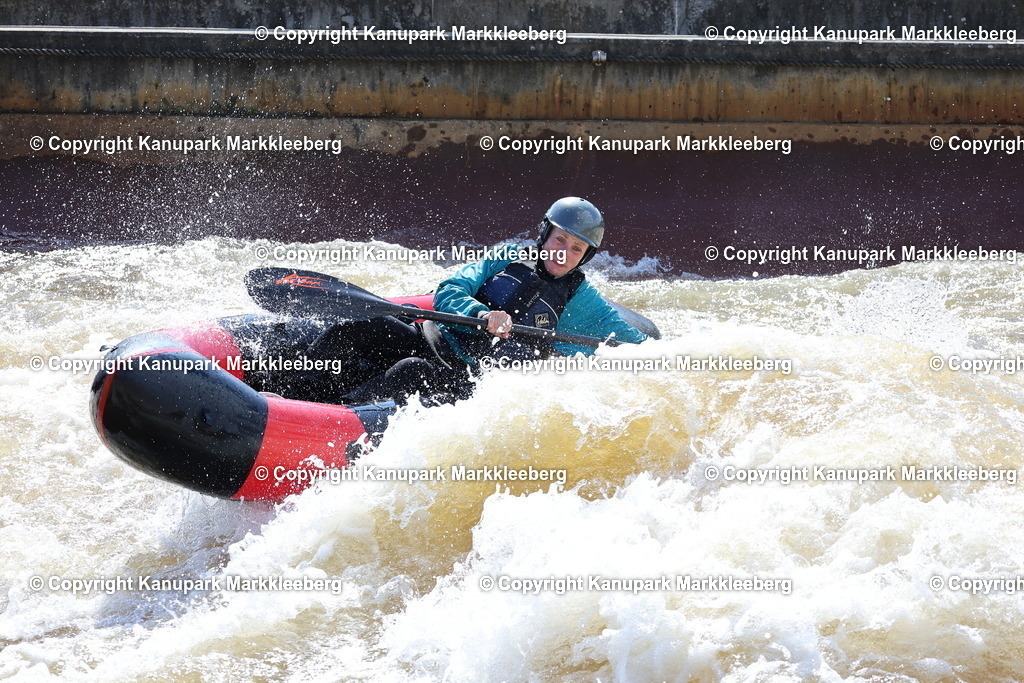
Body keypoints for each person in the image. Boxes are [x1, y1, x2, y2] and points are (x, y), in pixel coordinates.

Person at [304, 197, 649, 405]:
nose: (564, 253)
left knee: (411, 371)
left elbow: (631, 341)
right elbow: (450, 289)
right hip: (434, 337)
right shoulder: (506, 255)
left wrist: (668, 355)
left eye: (576, 248)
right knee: (366, 326)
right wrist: (481, 313)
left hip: (466, 378)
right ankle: (294, 387)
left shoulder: (581, 298)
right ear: (545, 233)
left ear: (586, 256)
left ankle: (332, 418)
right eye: (560, 240)